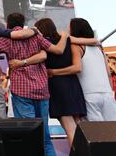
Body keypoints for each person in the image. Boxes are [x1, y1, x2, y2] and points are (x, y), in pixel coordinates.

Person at [0, 12, 70, 156]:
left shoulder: (6, 39)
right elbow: (58, 50)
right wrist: (64, 36)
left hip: (22, 91)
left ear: (7, 25)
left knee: (28, 134)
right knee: (44, 134)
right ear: (23, 24)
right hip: (42, 89)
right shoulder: (36, 36)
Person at [48, 18, 116, 121]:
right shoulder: (98, 47)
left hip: (89, 93)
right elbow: (108, 73)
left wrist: (54, 72)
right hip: (106, 93)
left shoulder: (77, 46)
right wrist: (109, 91)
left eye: (69, 28)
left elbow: (77, 67)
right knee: (112, 131)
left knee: (95, 133)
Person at [35, 18, 87, 146]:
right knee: (80, 126)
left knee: (69, 127)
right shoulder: (69, 41)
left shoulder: (44, 44)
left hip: (57, 87)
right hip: (73, 85)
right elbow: (88, 41)